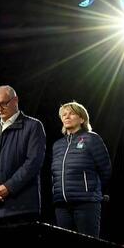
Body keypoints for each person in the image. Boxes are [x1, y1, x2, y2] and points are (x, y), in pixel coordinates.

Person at [0, 85, 46, 225]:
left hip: (21, 209)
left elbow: (33, 163)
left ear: (15, 100)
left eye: (3, 103)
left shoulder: (33, 126)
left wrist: (8, 187)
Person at [50, 101, 111, 237]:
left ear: (82, 119)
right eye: (64, 115)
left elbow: (105, 169)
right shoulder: (57, 145)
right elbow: (54, 173)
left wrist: (92, 190)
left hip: (86, 203)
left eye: (71, 113)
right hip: (62, 205)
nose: (67, 116)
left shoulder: (92, 139)